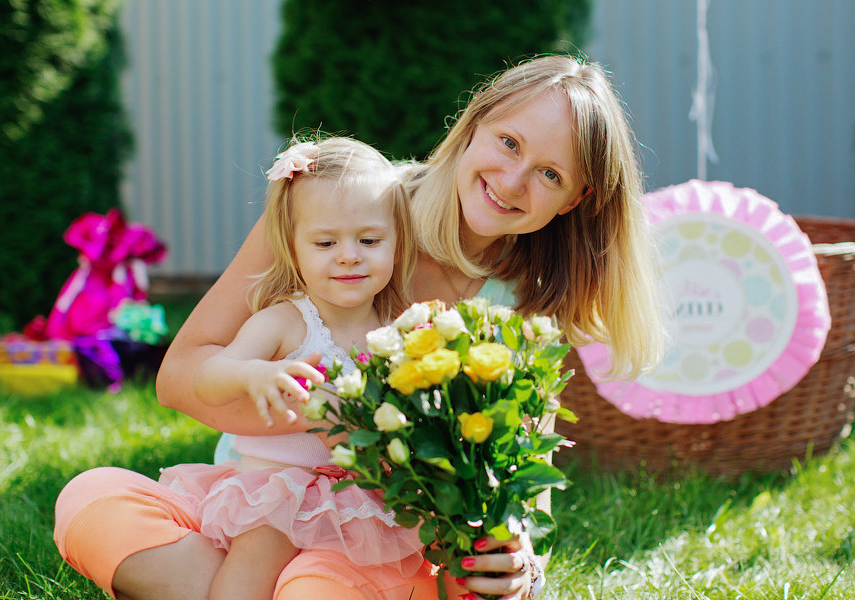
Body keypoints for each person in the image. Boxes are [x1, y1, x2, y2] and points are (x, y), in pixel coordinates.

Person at [54, 54, 664, 600]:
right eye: (508, 143)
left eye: (550, 175)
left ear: (575, 199)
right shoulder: (340, 206)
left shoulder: (530, 304)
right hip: (256, 510)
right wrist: (330, 416)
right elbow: (178, 379)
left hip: (387, 537)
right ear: (475, 123)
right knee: (90, 502)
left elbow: (523, 478)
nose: (512, 181)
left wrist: (523, 559)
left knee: (324, 584)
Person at [153, 137, 423, 600]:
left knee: (347, 574)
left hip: (359, 494)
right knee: (256, 561)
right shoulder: (285, 322)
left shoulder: (397, 331)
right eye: (325, 242)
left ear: (397, 245)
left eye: (369, 240)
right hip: (279, 488)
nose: (349, 255)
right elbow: (208, 378)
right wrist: (250, 375)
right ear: (292, 249)